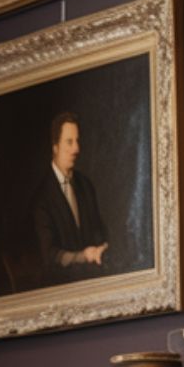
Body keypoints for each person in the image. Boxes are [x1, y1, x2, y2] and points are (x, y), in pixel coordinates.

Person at [31, 111, 109, 285]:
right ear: (55, 146)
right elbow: (50, 256)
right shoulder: (41, 198)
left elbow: (99, 231)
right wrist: (82, 256)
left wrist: (102, 248)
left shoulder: (85, 185)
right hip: (60, 286)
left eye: (77, 141)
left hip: (93, 279)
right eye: (69, 142)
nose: (76, 149)